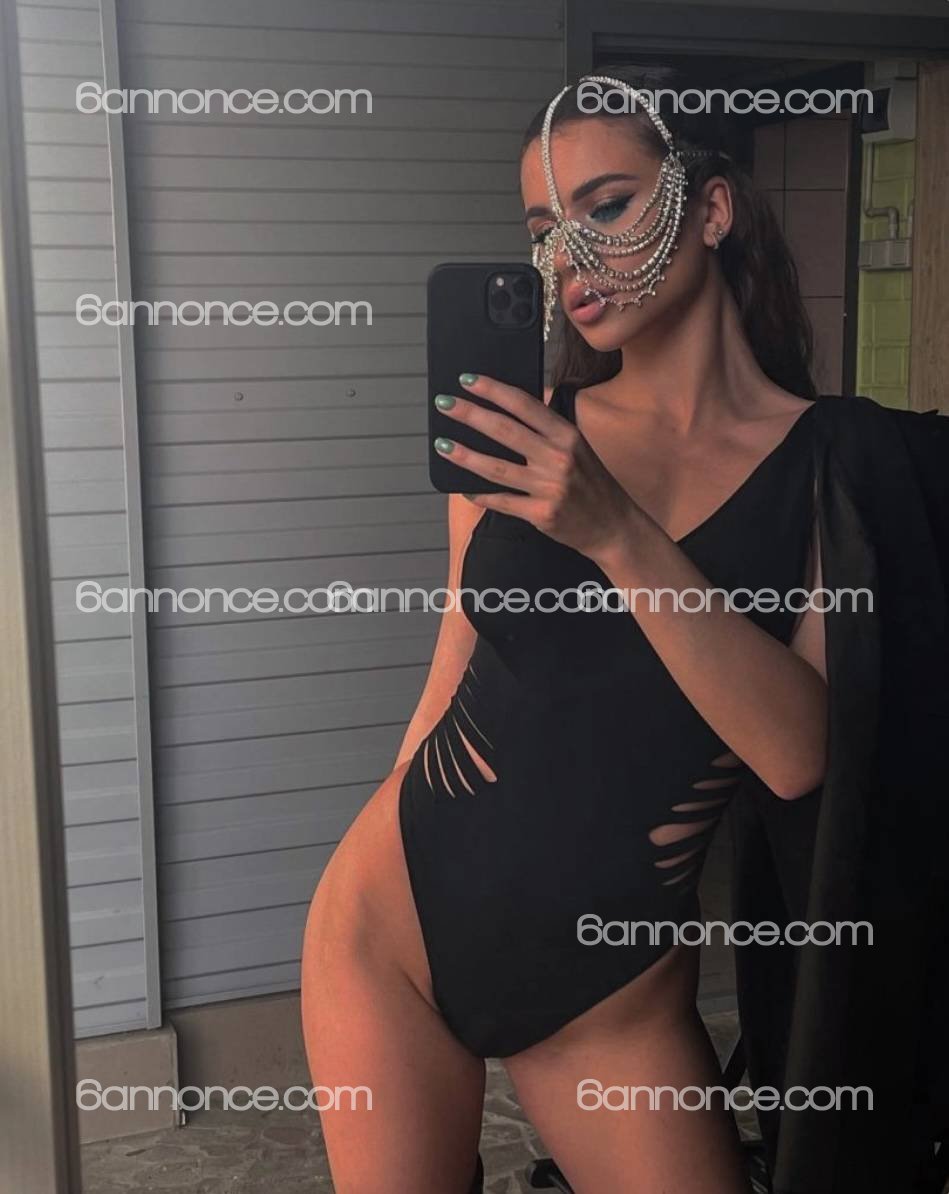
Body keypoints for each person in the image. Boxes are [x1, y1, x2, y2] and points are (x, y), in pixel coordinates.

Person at [300, 70, 948, 1194]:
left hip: (608, 995)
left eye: (604, 206)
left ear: (711, 208)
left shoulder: (833, 464)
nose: (570, 256)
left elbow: (796, 753)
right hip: (388, 922)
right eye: (542, 232)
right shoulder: (520, 438)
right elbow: (454, 662)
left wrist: (615, 532)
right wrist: (396, 796)